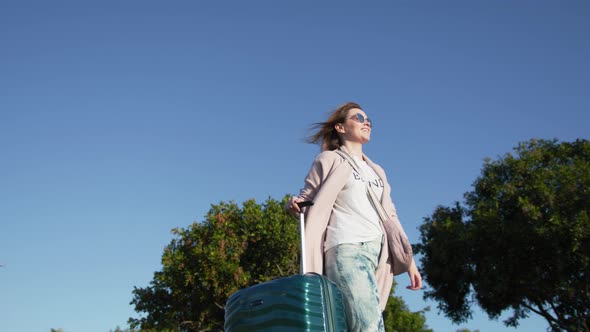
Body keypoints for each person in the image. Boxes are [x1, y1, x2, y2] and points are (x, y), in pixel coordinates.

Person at [286, 102, 422, 332]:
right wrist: (295, 204)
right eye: (358, 117)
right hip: (346, 247)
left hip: (379, 257)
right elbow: (306, 196)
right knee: (368, 325)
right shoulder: (329, 160)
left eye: (369, 120)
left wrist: (410, 262)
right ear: (340, 127)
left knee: (367, 324)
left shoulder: (377, 170)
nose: (366, 122)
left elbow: (390, 214)